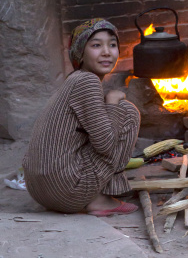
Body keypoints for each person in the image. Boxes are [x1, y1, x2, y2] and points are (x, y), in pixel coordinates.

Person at [23, 19, 140, 216]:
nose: (106, 52)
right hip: (67, 191)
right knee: (127, 112)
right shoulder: (87, 80)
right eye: (96, 45)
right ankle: (99, 199)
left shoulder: (74, 80)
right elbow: (106, 145)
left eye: (112, 44)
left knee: (108, 117)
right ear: (81, 53)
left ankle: (96, 193)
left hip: (39, 191)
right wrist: (111, 101)